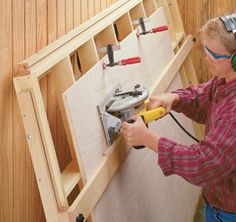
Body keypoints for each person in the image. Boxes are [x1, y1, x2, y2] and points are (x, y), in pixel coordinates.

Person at [121, 14, 236, 222]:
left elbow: (203, 163)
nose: (206, 56)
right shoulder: (226, 80)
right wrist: (174, 98)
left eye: (213, 54)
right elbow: (204, 97)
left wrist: (148, 139)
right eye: (205, 48)